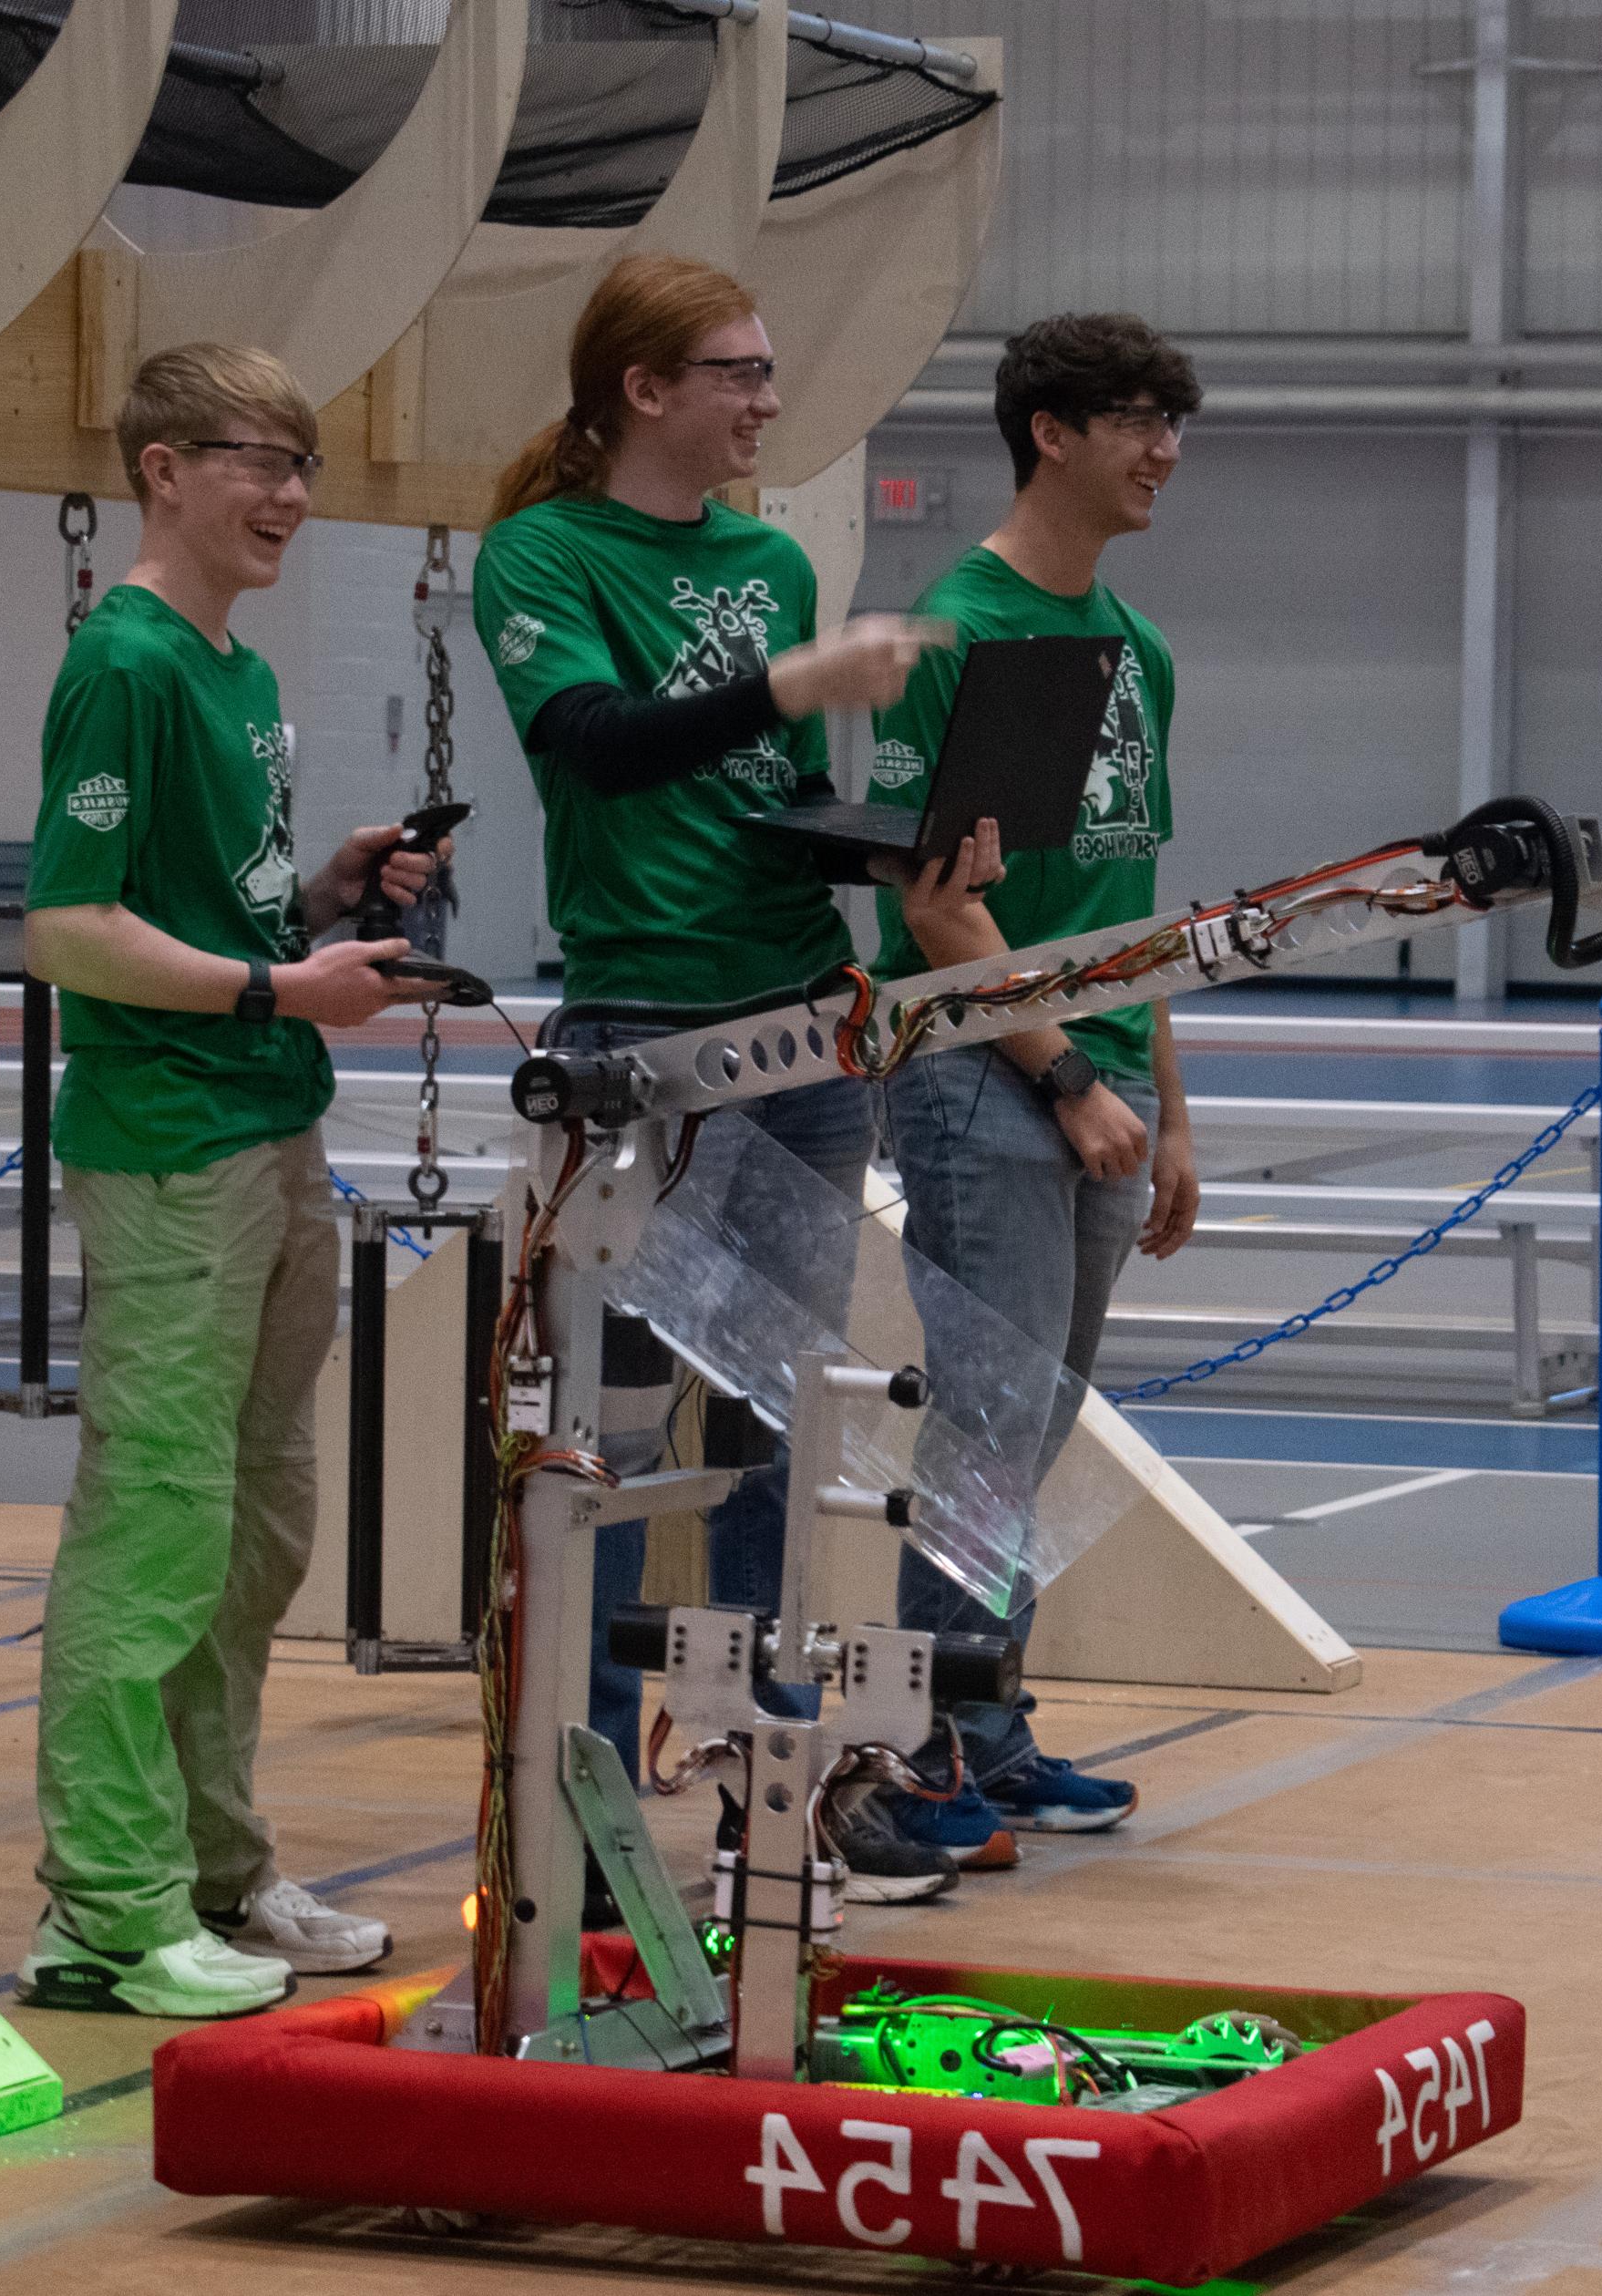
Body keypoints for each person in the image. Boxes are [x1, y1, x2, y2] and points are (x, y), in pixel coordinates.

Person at [472, 252, 991, 1903]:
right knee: (610, 1429)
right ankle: (592, 1758)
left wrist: (902, 847)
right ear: (645, 389)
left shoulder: (768, 559)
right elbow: (604, 744)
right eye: (741, 372)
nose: (769, 402)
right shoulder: (541, 555)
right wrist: (793, 682)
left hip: (799, 1021)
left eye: (770, 372)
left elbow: (763, 783)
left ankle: (759, 1765)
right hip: (646, 1036)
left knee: (781, 1413)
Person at [14, 344, 444, 2019]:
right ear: (161, 472)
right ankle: (106, 1910)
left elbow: (208, 904)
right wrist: (278, 989)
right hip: (174, 1144)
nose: (287, 496)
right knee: (158, 1520)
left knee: (256, 1530)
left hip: (272, 1123)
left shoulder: (240, 677)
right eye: (253, 461)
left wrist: (322, 902)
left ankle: (215, 1866)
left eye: (302, 464)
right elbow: (73, 927)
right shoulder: (122, 662)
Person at [868, 314, 1204, 1855]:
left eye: (1175, 421)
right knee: (986, 1428)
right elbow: (939, 911)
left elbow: (1134, 909)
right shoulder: (964, 629)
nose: (1166, 450)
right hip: (989, 1083)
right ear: (1049, 432)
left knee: (1036, 1425)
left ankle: (990, 1727)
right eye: (1137, 419)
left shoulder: (1138, 649)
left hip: (1104, 1083)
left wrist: (1170, 1103)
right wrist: (1066, 1074)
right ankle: (925, 1749)